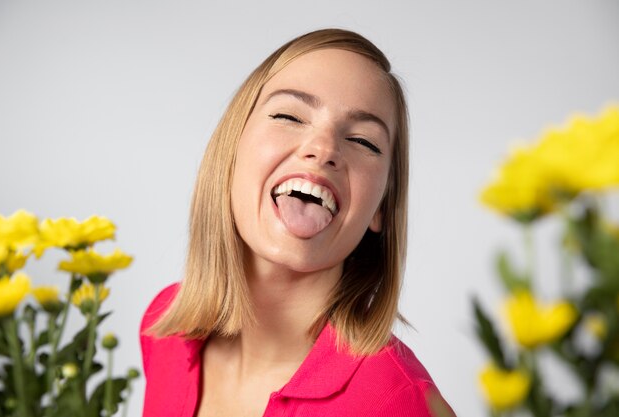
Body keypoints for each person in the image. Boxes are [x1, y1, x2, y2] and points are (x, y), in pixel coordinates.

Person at [140, 28, 455, 417]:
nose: (323, 150)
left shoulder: (396, 400)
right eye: (289, 116)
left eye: (364, 141)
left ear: (381, 208)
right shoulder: (164, 328)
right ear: (231, 150)